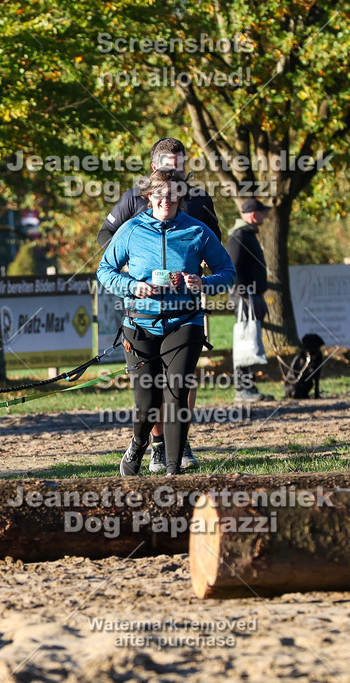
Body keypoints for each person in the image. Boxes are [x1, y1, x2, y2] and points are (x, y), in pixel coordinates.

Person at [97, 169, 235, 476]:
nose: (166, 200)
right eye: (160, 194)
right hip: (141, 324)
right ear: (148, 196)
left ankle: (174, 472)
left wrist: (203, 282)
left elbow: (227, 272)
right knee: (148, 401)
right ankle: (137, 444)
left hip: (184, 322)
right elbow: (105, 271)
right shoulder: (131, 230)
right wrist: (133, 286)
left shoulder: (197, 231)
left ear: (181, 197)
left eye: (173, 195)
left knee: (177, 391)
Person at [227, 198, 274, 402]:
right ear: (253, 215)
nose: (264, 216)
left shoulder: (248, 235)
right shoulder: (240, 236)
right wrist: (244, 293)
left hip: (251, 295)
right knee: (245, 339)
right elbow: (233, 266)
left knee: (251, 339)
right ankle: (242, 388)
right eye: (262, 213)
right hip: (244, 297)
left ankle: (248, 385)